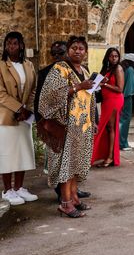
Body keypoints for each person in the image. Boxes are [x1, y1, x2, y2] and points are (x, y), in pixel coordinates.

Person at [40, 36, 96, 217]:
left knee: (76, 164)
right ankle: (65, 203)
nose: (78, 51)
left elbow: (90, 99)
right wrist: (78, 87)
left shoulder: (85, 71)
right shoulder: (60, 69)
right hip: (66, 126)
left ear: (85, 51)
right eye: (74, 47)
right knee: (66, 165)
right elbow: (50, 96)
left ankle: (74, 198)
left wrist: (93, 120)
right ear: (68, 50)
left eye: (81, 48)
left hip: (83, 126)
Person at [0, 31, 38, 206]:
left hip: (24, 117)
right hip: (7, 116)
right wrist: (19, 108)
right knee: (7, 154)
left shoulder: (28, 65)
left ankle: (20, 188)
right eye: (8, 43)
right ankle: (8, 190)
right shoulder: (1, 65)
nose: (11, 47)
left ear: (21, 45)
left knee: (23, 152)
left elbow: (33, 90)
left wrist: (27, 109)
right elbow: (1, 93)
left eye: (15, 43)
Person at [91, 47, 124, 167]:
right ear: (107, 57)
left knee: (110, 127)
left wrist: (104, 84)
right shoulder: (106, 69)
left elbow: (120, 89)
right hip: (106, 100)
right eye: (112, 56)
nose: (114, 58)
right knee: (106, 127)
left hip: (115, 100)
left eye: (116, 56)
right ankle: (106, 155)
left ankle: (110, 157)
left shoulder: (118, 68)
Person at [119, 53, 134, 152]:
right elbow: (131, 86)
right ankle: (123, 143)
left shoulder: (122, 68)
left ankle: (121, 142)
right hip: (127, 97)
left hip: (121, 96)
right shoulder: (130, 70)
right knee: (125, 120)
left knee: (121, 119)